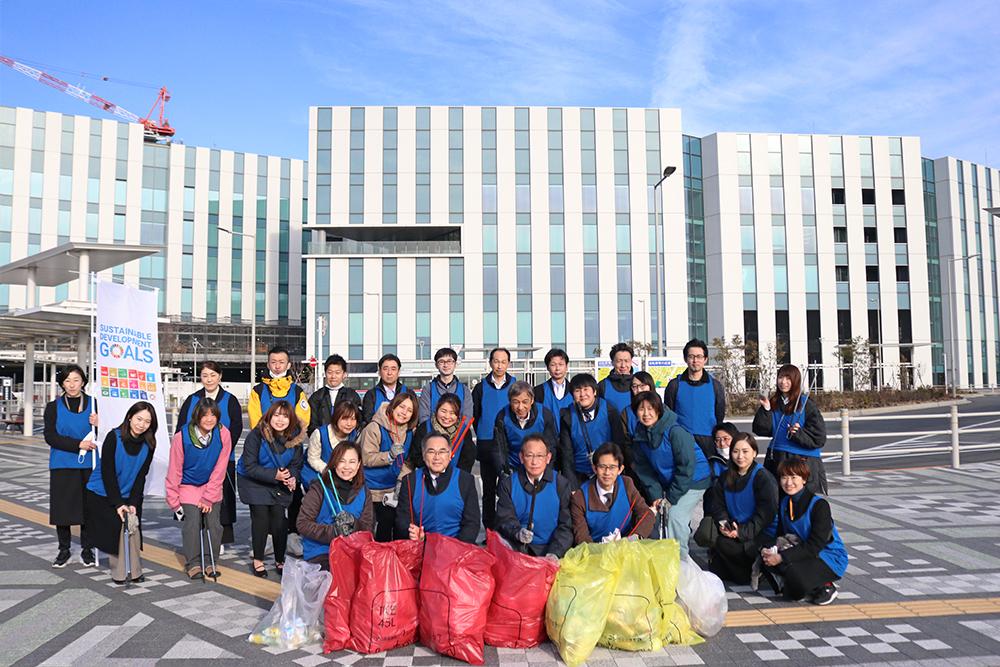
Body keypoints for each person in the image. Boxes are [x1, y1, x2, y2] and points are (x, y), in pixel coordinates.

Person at [630, 390, 711, 558]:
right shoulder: (639, 436)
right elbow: (646, 472)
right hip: (670, 482)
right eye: (641, 409)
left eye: (650, 408)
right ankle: (662, 558)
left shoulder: (675, 431)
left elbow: (686, 466)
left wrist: (671, 498)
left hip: (694, 479)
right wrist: (658, 496)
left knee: (674, 516)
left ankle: (681, 560)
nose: (646, 414)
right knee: (657, 515)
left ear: (659, 410)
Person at [84, 401, 157, 584]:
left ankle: (135, 571)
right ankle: (119, 572)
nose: (141, 424)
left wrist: (133, 502)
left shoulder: (149, 444)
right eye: (138, 419)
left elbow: (142, 476)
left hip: (130, 491)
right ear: (130, 417)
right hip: (103, 491)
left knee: (133, 526)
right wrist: (118, 503)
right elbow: (108, 473)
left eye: (147, 421)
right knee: (117, 530)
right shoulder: (114, 437)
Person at [248, 346, 311, 555]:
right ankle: (266, 537)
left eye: (281, 362)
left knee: (293, 492)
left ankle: (293, 535)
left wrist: (288, 439)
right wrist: (270, 439)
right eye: (273, 362)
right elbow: (255, 420)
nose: (277, 365)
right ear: (268, 364)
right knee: (265, 491)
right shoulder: (258, 391)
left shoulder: (297, 390)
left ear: (289, 365)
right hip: (265, 449)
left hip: (291, 447)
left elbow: (304, 418)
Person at [761, 458, 847, 605]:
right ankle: (806, 583)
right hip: (803, 551)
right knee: (767, 561)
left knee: (793, 578)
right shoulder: (785, 503)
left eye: (794, 477)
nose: (788, 483)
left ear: (804, 479)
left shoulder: (819, 505)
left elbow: (816, 545)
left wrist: (782, 557)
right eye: (784, 477)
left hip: (828, 557)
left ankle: (825, 586)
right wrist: (768, 549)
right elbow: (780, 535)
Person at [175, 361, 242, 546]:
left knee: (221, 502)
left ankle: (218, 541)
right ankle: (195, 540)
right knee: (193, 500)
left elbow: (236, 428)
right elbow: (181, 429)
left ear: (220, 376)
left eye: (213, 375)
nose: (209, 379)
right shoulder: (192, 400)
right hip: (194, 461)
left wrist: (219, 452)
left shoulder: (230, 400)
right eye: (205, 375)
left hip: (222, 460)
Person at [236, 400, 306, 578]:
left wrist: (292, 478)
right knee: (260, 517)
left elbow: (297, 466)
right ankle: (258, 560)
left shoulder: (296, 438)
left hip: (279, 481)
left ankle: (279, 559)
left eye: (285, 416)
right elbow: (250, 466)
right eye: (276, 415)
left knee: (279, 519)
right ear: (269, 416)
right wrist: (275, 474)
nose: (280, 420)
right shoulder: (256, 435)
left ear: (291, 419)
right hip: (253, 480)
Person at [166, 398, 233, 579]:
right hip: (188, 486)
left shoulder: (223, 434)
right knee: (192, 524)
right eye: (205, 415)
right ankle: (193, 563)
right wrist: (173, 500)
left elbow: (220, 468)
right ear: (197, 416)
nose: (209, 419)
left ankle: (211, 561)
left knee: (214, 525)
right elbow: (174, 469)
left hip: (211, 485)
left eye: (213, 415)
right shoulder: (182, 437)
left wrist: (208, 497)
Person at [45, 364, 99, 568]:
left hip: (90, 464)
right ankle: (64, 550)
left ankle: (88, 550)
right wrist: (78, 444)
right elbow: (50, 437)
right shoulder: (53, 407)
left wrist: (100, 422)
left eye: (76, 379)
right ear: (62, 384)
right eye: (67, 381)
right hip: (62, 464)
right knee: (63, 509)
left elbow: (109, 433)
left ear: (83, 382)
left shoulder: (94, 405)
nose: (72, 384)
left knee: (88, 508)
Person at [708, 433, 779, 585]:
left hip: (763, 533)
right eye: (735, 451)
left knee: (726, 548)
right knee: (717, 562)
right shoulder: (726, 476)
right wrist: (724, 524)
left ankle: (752, 572)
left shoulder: (763, 477)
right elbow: (718, 506)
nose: (740, 456)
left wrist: (741, 532)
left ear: (754, 453)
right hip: (737, 530)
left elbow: (765, 515)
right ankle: (750, 569)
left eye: (745, 451)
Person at [296, 441, 373, 571]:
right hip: (321, 550)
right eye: (342, 461)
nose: (347, 467)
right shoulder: (319, 488)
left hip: (353, 549)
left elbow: (367, 528)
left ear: (359, 464)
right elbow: (302, 524)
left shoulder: (364, 492)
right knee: (340, 573)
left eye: (352, 462)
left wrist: (354, 524)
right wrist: (333, 531)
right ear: (334, 463)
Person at [753, 364, 828, 494]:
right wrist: (766, 409)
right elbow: (761, 430)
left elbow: (819, 437)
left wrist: (798, 433)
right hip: (778, 457)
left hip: (803, 460)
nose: (783, 382)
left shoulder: (806, 404)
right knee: (777, 501)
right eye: (781, 377)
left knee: (803, 503)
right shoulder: (774, 403)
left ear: (796, 380)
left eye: (788, 378)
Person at [496, 433, 573, 559]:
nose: (534, 462)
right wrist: (517, 533)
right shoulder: (508, 484)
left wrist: (555, 553)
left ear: (548, 458)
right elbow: (504, 519)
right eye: (529, 455)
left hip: (552, 549)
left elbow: (566, 525)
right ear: (521, 457)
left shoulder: (561, 484)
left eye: (539, 456)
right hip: (520, 549)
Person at [396, 432, 480, 544]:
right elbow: (403, 518)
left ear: (450, 454)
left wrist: (455, 549)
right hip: (421, 547)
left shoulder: (465, 480)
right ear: (423, 455)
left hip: (457, 549)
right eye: (431, 452)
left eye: (442, 452)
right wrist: (413, 532)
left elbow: (471, 523)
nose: (437, 457)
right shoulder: (410, 480)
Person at [358, 391, 419, 542]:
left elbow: (407, 462)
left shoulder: (410, 432)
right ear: (393, 407)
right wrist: (388, 456)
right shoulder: (374, 427)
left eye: (409, 410)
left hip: (392, 490)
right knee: (371, 529)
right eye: (401, 407)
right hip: (370, 487)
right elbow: (366, 458)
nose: (404, 413)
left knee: (394, 524)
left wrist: (401, 480)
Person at [570, 442, 654, 545]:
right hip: (595, 552)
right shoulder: (580, 497)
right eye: (602, 467)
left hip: (625, 547)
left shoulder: (627, 484)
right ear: (594, 468)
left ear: (620, 469)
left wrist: (635, 537)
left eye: (612, 467)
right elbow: (582, 537)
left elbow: (646, 514)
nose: (607, 472)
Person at [558, 374, 626, 489]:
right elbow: (566, 454)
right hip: (580, 474)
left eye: (586, 389)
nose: (582, 394)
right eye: (577, 391)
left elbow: (619, 444)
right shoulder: (567, 416)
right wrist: (572, 487)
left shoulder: (610, 411)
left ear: (594, 391)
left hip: (607, 472)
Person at [472, 347, 515, 529]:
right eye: (496, 361)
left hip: (509, 445)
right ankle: (489, 529)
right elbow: (475, 416)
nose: (499, 365)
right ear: (490, 363)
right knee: (488, 491)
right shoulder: (481, 387)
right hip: (487, 445)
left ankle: (508, 527)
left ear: (508, 364)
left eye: (503, 361)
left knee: (509, 489)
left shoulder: (515, 385)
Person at [665, 339, 726, 461]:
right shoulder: (674, 385)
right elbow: (668, 414)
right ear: (685, 359)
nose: (695, 360)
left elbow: (719, 414)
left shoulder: (715, 386)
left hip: (708, 441)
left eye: (699, 356)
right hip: (682, 440)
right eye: (691, 356)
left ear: (705, 359)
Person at [493, 381, 559, 479]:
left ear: (532, 400)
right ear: (510, 401)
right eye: (516, 402)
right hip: (513, 468)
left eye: (525, 402)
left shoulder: (545, 415)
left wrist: (545, 472)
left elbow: (552, 446)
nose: (520, 407)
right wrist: (503, 472)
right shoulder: (502, 417)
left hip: (539, 468)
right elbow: (499, 449)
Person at [694, 422, 741, 549]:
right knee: (704, 535)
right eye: (718, 440)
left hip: (741, 512)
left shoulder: (744, 462)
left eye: (726, 439)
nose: (722, 444)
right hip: (715, 512)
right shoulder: (710, 463)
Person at [408, 393, 476, 473]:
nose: (447, 417)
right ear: (437, 409)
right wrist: (433, 470)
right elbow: (416, 454)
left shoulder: (464, 431)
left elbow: (468, 459)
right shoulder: (425, 427)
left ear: (458, 415)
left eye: (453, 413)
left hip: (454, 477)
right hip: (428, 476)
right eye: (443, 411)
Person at [303, 401, 360, 491]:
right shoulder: (320, 433)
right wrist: (330, 472)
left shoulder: (355, 435)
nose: (349, 423)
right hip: (317, 472)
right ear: (336, 418)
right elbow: (313, 459)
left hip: (341, 472)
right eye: (345, 419)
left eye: (353, 419)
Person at [308, 354, 363, 435]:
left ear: (344, 374)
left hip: (346, 442)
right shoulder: (317, 397)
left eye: (337, 373)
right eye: (330, 372)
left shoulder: (352, 396)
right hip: (322, 441)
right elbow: (311, 423)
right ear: (325, 373)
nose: (333, 376)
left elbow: (359, 420)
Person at [417, 347, 474, 423]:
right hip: (433, 434)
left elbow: (467, 417)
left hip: (458, 434)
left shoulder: (464, 390)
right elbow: (424, 417)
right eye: (441, 361)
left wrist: (457, 434)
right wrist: (434, 434)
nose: (446, 365)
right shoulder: (428, 389)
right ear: (436, 365)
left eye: (449, 361)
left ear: (455, 364)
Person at [361, 354, 409, 425]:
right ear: (379, 372)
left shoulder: (408, 393)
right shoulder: (371, 394)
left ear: (399, 372)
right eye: (385, 369)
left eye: (393, 369)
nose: (389, 373)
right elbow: (368, 418)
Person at [534, 348, 572, 434]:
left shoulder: (574, 390)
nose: (557, 368)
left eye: (561, 364)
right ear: (547, 367)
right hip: (547, 440)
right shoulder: (539, 391)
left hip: (570, 440)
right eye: (553, 365)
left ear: (566, 366)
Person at [597, 342, 635, 417]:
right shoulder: (603, 385)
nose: (623, 365)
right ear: (612, 362)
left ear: (631, 362)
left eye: (626, 361)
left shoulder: (639, 384)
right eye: (619, 361)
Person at [621, 370, 656, 439]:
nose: (639, 390)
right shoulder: (626, 412)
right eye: (635, 387)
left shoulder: (662, 408)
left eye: (642, 386)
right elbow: (624, 439)